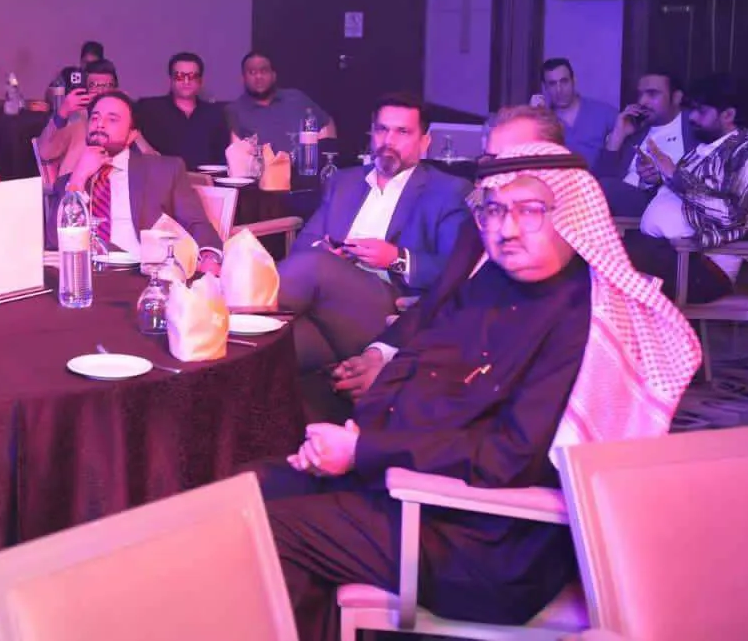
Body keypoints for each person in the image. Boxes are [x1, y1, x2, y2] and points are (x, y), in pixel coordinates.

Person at [260, 142, 701, 641]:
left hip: (485, 540)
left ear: (572, 216)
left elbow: (508, 458)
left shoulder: (585, 321)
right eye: (493, 210)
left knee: (265, 533)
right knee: (249, 489)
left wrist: (365, 451)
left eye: (530, 211)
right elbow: (417, 359)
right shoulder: (493, 279)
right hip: (411, 489)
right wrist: (361, 433)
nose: (506, 230)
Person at [330, 104, 565, 404]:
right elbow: (439, 303)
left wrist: (396, 376)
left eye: (514, 162)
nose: (496, 176)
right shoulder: (475, 232)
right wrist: (379, 355)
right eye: (491, 161)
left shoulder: (562, 271)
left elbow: (492, 362)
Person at [279, 95, 474, 371]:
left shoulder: (447, 191)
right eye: (382, 129)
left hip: (390, 308)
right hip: (324, 306)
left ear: (424, 142)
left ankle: (230, 312)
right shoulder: (344, 181)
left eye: (402, 132)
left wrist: (396, 258)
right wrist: (325, 250)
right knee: (275, 349)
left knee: (315, 266)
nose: (388, 140)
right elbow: (302, 248)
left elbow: (456, 270)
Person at [625, 73, 748, 304]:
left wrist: (675, 176)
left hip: (700, 265)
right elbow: (678, 196)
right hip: (665, 251)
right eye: (692, 110)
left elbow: (732, 215)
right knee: (594, 248)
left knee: (604, 259)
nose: (692, 117)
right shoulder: (703, 149)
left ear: (728, 115)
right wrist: (654, 179)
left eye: (701, 111)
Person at [50, 91, 223, 276]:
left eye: (112, 119)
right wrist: (78, 179)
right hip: (86, 276)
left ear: (132, 134)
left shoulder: (164, 171)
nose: (99, 124)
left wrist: (209, 257)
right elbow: (54, 241)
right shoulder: (68, 182)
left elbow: (196, 223)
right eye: (95, 118)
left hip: (146, 275)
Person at [596, 71, 695, 217]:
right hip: (620, 207)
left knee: (604, 188)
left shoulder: (693, 127)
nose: (642, 101)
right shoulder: (637, 130)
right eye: (640, 94)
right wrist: (618, 134)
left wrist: (657, 180)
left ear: (676, 97)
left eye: (652, 94)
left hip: (663, 205)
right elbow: (600, 177)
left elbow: (700, 185)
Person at [37, 58, 150, 182]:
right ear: (86, 89)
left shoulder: (123, 120)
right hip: (78, 186)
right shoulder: (75, 118)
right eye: (94, 86)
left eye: (108, 86)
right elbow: (44, 152)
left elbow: (150, 158)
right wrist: (62, 112)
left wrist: (127, 111)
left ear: (116, 90)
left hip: (120, 185)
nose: (101, 91)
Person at [226, 50, 335, 152]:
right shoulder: (235, 111)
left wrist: (326, 155)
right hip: (261, 166)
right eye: (252, 72)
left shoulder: (296, 98)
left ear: (274, 76)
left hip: (302, 165)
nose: (258, 77)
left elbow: (326, 123)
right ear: (243, 78)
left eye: (264, 71)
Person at [134, 51, 228, 169]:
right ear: (171, 79)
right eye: (179, 76)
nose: (186, 82)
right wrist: (145, 148)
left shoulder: (215, 114)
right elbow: (125, 122)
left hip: (206, 177)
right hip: (163, 177)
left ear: (200, 81)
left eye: (192, 76)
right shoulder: (150, 108)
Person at [538, 57, 617, 166]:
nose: (559, 90)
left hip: (598, 175)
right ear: (545, 87)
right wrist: (532, 114)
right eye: (552, 84)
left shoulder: (603, 112)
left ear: (573, 80)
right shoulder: (543, 120)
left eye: (564, 81)